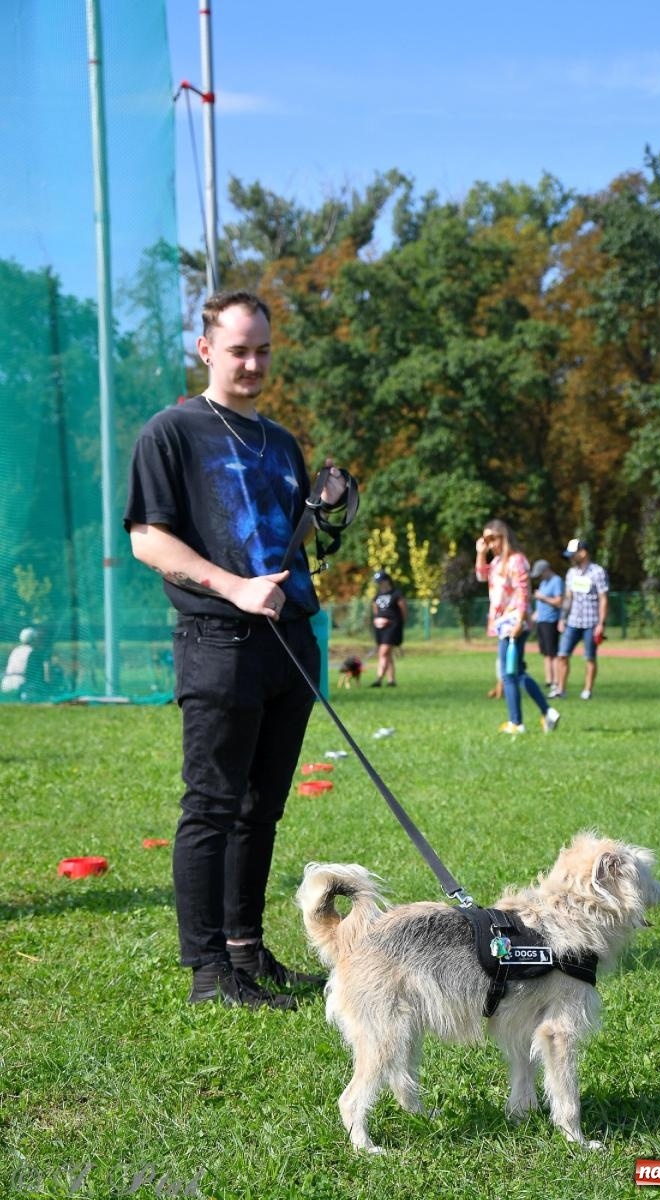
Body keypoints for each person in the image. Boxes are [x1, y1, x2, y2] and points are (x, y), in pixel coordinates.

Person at [124, 289, 355, 1009]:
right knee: (213, 807)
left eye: (262, 351)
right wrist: (233, 587)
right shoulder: (172, 432)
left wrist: (330, 514)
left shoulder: (281, 441)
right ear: (205, 350)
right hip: (219, 640)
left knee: (263, 809)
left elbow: (286, 544)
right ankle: (207, 973)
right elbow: (147, 539)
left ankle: (245, 950)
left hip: (288, 644)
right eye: (238, 350)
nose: (252, 363)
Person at [475, 520, 560, 735]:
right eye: (486, 539)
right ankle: (548, 712)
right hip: (502, 621)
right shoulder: (496, 563)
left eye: (493, 538)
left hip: (513, 621)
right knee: (517, 671)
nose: (490, 543)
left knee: (507, 673)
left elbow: (524, 592)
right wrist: (480, 553)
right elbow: (480, 575)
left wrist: (520, 620)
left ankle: (516, 722)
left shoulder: (517, 560)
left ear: (503, 537)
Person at [556, 538, 609, 700]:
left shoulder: (598, 572)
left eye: (573, 554)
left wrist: (601, 623)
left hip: (591, 622)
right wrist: (562, 618)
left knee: (589, 657)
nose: (571, 558)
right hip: (573, 621)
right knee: (562, 654)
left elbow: (603, 599)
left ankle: (587, 691)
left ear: (583, 553)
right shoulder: (571, 573)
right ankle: (560, 689)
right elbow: (568, 597)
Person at [530, 559, 563, 698]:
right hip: (541, 621)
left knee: (553, 653)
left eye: (540, 574)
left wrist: (542, 598)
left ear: (546, 570)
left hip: (551, 621)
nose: (539, 577)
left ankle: (556, 681)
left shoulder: (557, 581)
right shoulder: (543, 583)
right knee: (545, 653)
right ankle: (548, 681)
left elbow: (558, 601)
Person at [370, 571, 407, 687]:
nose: (379, 584)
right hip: (380, 628)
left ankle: (378, 679)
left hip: (392, 626)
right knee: (387, 654)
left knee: (383, 652)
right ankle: (391, 680)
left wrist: (400, 625)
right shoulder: (377, 595)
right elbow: (375, 608)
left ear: (387, 581)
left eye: (380, 582)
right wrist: (377, 619)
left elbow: (403, 610)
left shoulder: (396, 594)